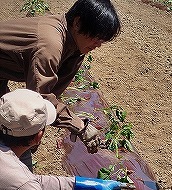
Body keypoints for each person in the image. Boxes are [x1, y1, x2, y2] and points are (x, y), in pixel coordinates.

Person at [0, 0, 121, 171]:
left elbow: (51, 96)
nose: (98, 44)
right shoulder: (50, 44)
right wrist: (79, 125)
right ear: (77, 23)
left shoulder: (76, 49)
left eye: (103, 40)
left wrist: (37, 132)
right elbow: (39, 101)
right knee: (11, 132)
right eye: (96, 37)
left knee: (14, 133)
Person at [0, 89, 132, 190]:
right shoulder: (18, 180)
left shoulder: (10, 170)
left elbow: (26, 185)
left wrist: (89, 184)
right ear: (38, 136)